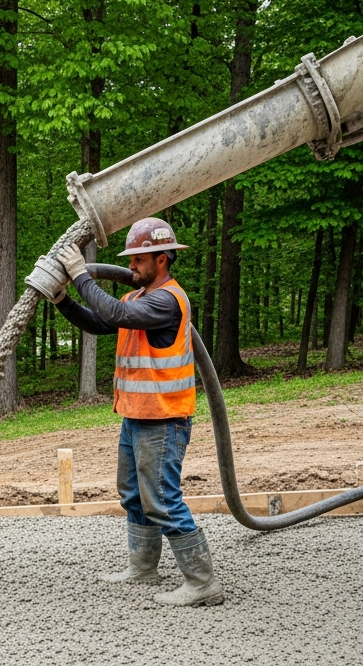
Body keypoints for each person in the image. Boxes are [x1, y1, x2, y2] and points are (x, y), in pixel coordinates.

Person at [46, 217, 223, 607]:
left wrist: (79, 274)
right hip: (137, 416)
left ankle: (202, 582)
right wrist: (63, 300)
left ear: (162, 259)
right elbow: (100, 320)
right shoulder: (137, 299)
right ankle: (143, 566)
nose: (131, 267)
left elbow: (117, 314)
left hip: (163, 419)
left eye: (139, 260)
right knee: (134, 494)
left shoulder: (167, 300)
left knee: (161, 497)